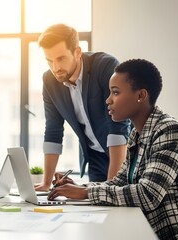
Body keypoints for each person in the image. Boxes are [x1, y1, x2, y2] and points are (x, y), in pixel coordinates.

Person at [48, 59, 178, 239]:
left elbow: (148, 195)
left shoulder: (169, 130)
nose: (108, 100)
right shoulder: (136, 135)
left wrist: (87, 193)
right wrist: (80, 187)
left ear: (141, 95)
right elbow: (119, 182)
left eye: (115, 92)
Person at [35, 23, 131, 191]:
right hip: (94, 156)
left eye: (61, 58)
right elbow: (53, 130)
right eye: (49, 61)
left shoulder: (105, 66)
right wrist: (45, 182)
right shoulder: (49, 81)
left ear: (77, 52)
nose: (55, 68)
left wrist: (111, 187)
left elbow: (118, 125)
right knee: (96, 212)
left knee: (118, 202)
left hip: (123, 154)